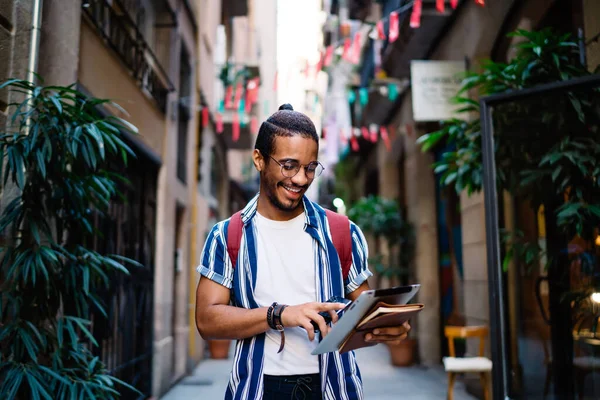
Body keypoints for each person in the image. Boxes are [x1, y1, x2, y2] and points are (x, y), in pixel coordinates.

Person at [195, 104, 411, 400]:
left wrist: (385, 327)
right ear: (259, 159)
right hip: (257, 389)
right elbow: (207, 321)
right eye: (288, 165)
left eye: (310, 168)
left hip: (333, 389)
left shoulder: (343, 232)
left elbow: (361, 315)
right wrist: (280, 315)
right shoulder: (227, 236)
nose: (300, 179)